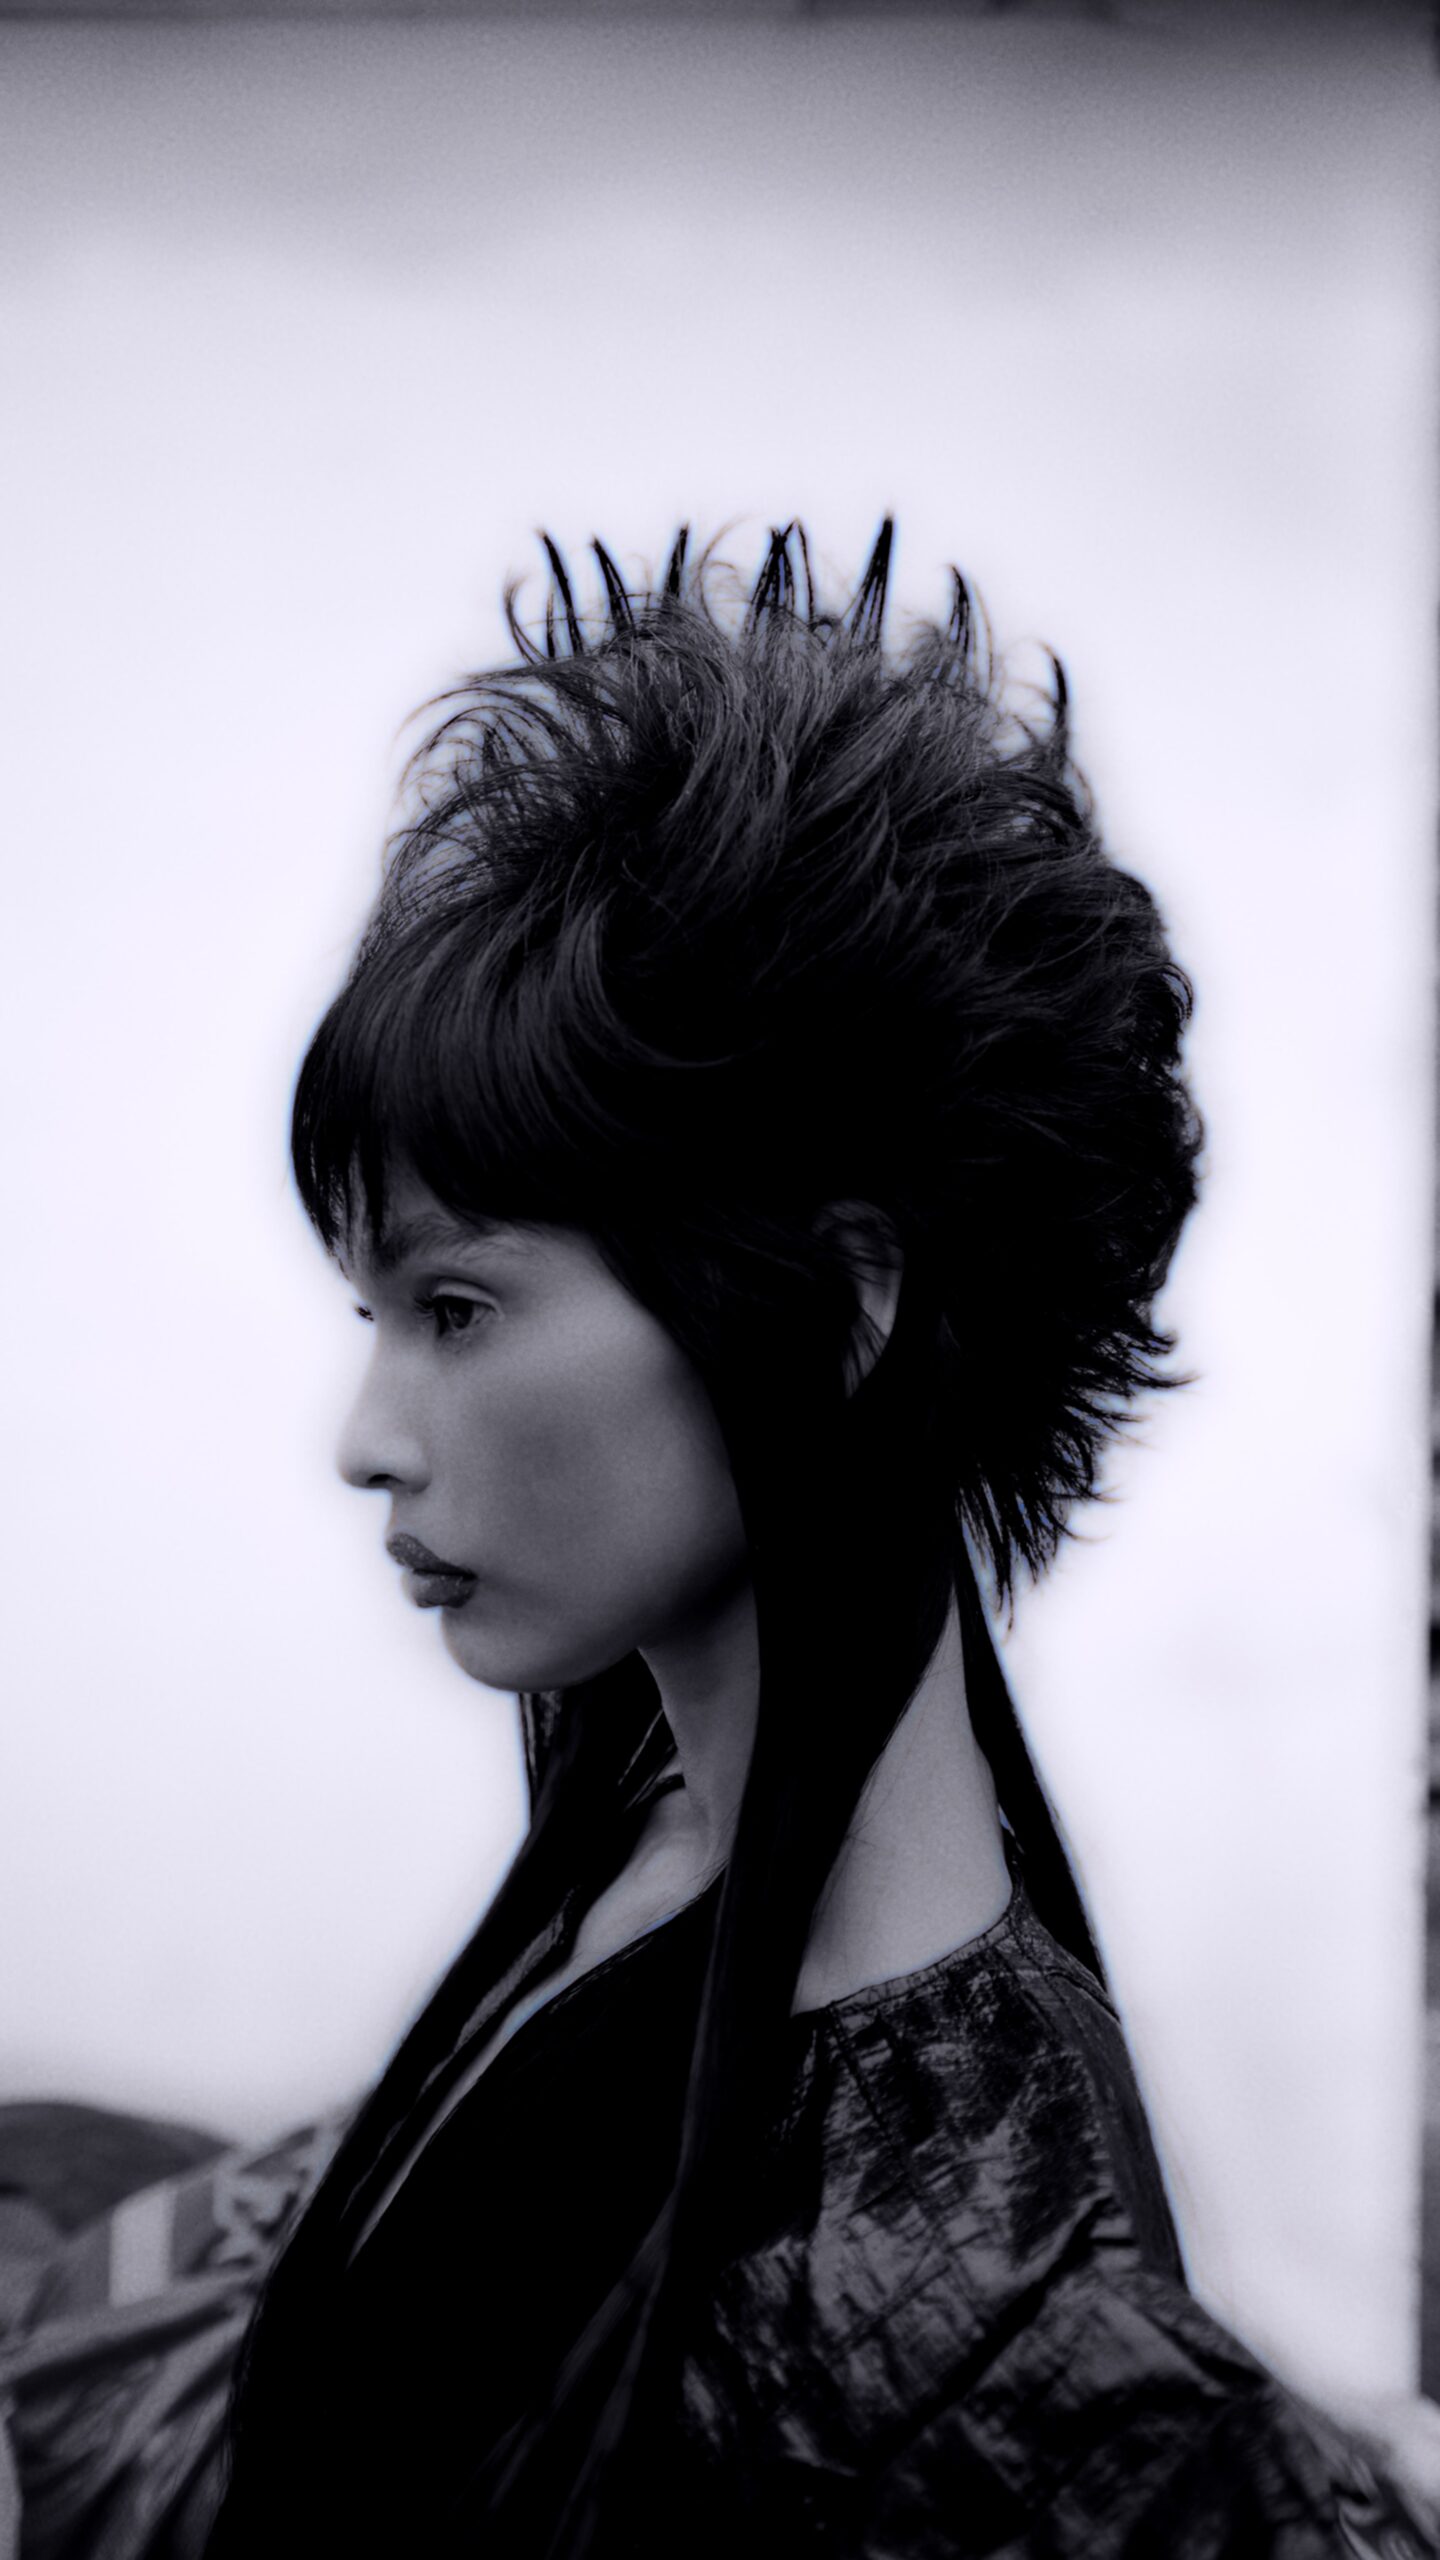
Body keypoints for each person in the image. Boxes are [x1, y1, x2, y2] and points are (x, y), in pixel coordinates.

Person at [1, 525, 1434, 2559]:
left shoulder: (955, 2308)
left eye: (459, 1309)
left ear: (839, 1305)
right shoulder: (658, 1813)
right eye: (374, 1314)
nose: (366, 1442)